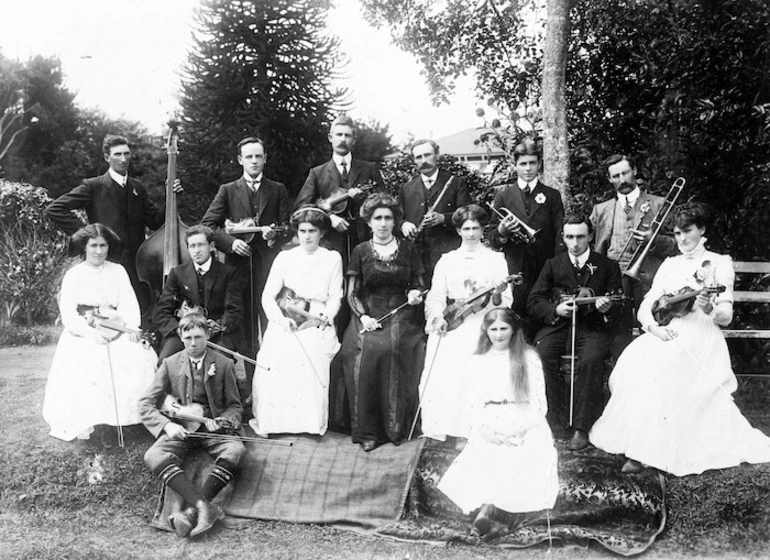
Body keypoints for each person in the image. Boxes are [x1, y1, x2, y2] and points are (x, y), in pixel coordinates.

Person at [589, 203, 770, 476]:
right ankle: (639, 444)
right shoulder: (670, 263)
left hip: (702, 333)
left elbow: (726, 316)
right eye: (676, 234)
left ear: (702, 229)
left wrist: (708, 306)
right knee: (634, 365)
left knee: (663, 370)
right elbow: (649, 302)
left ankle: (642, 453)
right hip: (669, 330)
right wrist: (652, 328)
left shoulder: (719, 263)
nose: (682, 240)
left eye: (687, 232)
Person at [438, 308, 558, 536]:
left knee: (520, 451)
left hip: (524, 419)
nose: (499, 334)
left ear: (513, 330)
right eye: (493, 329)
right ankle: (490, 510)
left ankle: (489, 511)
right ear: (486, 331)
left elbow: (539, 404)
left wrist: (519, 429)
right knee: (487, 451)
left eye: (504, 328)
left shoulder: (528, 357)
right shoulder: (478, 360)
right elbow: (472, 404)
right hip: (489, 420)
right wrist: (485, 430)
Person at [42, 223, 157, 444]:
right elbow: (69, 315)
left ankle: (130, 420)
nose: (98, 251)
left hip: (117, 330)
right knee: (92, 361)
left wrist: (131, 329)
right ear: (84, 247)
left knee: (137, 356)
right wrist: (91, 334)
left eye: (103, 245)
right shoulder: (73, 275)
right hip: (83, 335)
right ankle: (100, 424)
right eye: (93, 245)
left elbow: (129, 305)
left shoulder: (118, 271)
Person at [140, 313, 245, 538]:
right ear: (180, 337)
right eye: (187, 338)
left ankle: (190, 512)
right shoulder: (170, 364)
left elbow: (235, 406)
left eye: (198, 337)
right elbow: (145, 403)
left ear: (208, 335)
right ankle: (203, 506)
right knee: (153, 455)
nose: (193, 343)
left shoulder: (224, 364)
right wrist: (167, 426)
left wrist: (223, 420)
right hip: (181, 428)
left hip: (212, 429)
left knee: (236, 450)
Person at [527, 214, 622, 450]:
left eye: (580, 236)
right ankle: (554, 419)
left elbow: (619, 303)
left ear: (590, 236)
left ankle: (582, 427)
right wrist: (555, 309)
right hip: (559, 325)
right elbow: (534, 300)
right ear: (563, 238)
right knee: (541, 355)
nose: (575, 243)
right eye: (569, 237)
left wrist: (605, 308)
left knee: (590, 359)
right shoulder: (553, 264)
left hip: (592, 327)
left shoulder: (608, 266)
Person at [340, 193, 427, 452]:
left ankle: (395, 427)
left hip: (402, 314)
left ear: (395, 221)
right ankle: (368, 430)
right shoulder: (361, 251)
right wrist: (364, 316)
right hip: (368, 313)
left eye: (388, 218)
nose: (383, 223)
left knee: (392, 349)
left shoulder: (409, 249)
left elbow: (420, 285)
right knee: (365, 351)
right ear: (368, 221)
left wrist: (415, 293)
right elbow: (353, 292)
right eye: (377, 218)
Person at [419, 204, 512, 442]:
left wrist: (497, 293)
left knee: (473, 355)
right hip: (454, 318)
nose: (471, 234)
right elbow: (436, 295)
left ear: (483, 230)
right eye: (466, 228)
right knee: (444, 351)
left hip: (485, 321)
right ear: (458, 231)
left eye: (476, 228)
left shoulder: (495, 259)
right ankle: (447, 424)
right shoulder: (447, 260)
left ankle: (470, 430)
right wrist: (438, 317)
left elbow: (504, 303)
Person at [249, 207, 343, 437]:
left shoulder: (332, 258)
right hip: (288, 315)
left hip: (317, 319)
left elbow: (336, 295)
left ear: (321, 233)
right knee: (275, 356)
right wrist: (280, 320)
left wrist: (326, 317)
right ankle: (276, 423)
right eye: (302, 231)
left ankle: (310, 424)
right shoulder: (286, 257)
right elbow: (267, 295)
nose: (307, 236)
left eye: (312, 231)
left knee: (311, 356)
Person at [201, 136, 291, 358]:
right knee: (245, 330)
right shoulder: (228, 190)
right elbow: (207, 225)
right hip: (238, 270)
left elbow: (288, 226)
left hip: (270, 268)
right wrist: (231, 243)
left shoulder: (278, 189)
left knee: (273, 321)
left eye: (258, 156)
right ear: (240, 160)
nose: (254, 161)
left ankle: (275, 378)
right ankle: (252, 385)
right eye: (249, 157)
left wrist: (274, 237)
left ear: (265, 159)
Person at [589, 154, 678, 354]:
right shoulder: (601, 210)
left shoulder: (661, 204)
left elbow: (678, 245)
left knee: (656, 337)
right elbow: (593, 251)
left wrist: (653, 241)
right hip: (616, 282)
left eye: (625, 173)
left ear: (635, 171)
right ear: (609, 179)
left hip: (651, 280)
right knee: (619, 338)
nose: (622, 180)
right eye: (616, 176)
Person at [488, 139, 564, 325]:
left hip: (544, 266)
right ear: (515, 166)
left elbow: (560, 233)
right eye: (523, 164)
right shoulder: (504, 196)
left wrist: (557, 268)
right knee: (518, 317)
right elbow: (492, 237)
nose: (528, 168)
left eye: (532, 163)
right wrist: (502, 231)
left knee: (543, 315)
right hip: (516, 266)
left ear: (539, 164)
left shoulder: (552, 195)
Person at [293, 115, 385, 268]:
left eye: (347, 135)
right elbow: (301, 207)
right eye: (339, 134)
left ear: (354, 139)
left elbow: (384, 203)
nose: (343, 139)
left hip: (364, 238)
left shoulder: (369, 168)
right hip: (329, 240)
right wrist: (329, 217)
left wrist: (363, 200)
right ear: (330, 137)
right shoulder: (317, 173)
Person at [153, 225, 245, 363]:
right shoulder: (177, 273)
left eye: (200, 245)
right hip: (183, 333)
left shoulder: (228, 273)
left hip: (216, 333)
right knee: (166, 360)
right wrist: (180, 330)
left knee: (218, 363)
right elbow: (162, 311)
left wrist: (215, 327)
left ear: (211, 246)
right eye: (192, 246)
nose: (196, 250)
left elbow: (235, 310)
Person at [399, 138, 472, 284]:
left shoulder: (456, 183)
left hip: (449, 253)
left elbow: (468, 215)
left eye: (427, 155)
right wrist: (404, 225)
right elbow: (396, 218)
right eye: (418, 157)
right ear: (414, 160)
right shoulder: (406, 188)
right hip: (418, 258)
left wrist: (443, 218)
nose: (424, 160)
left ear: (437, 155)